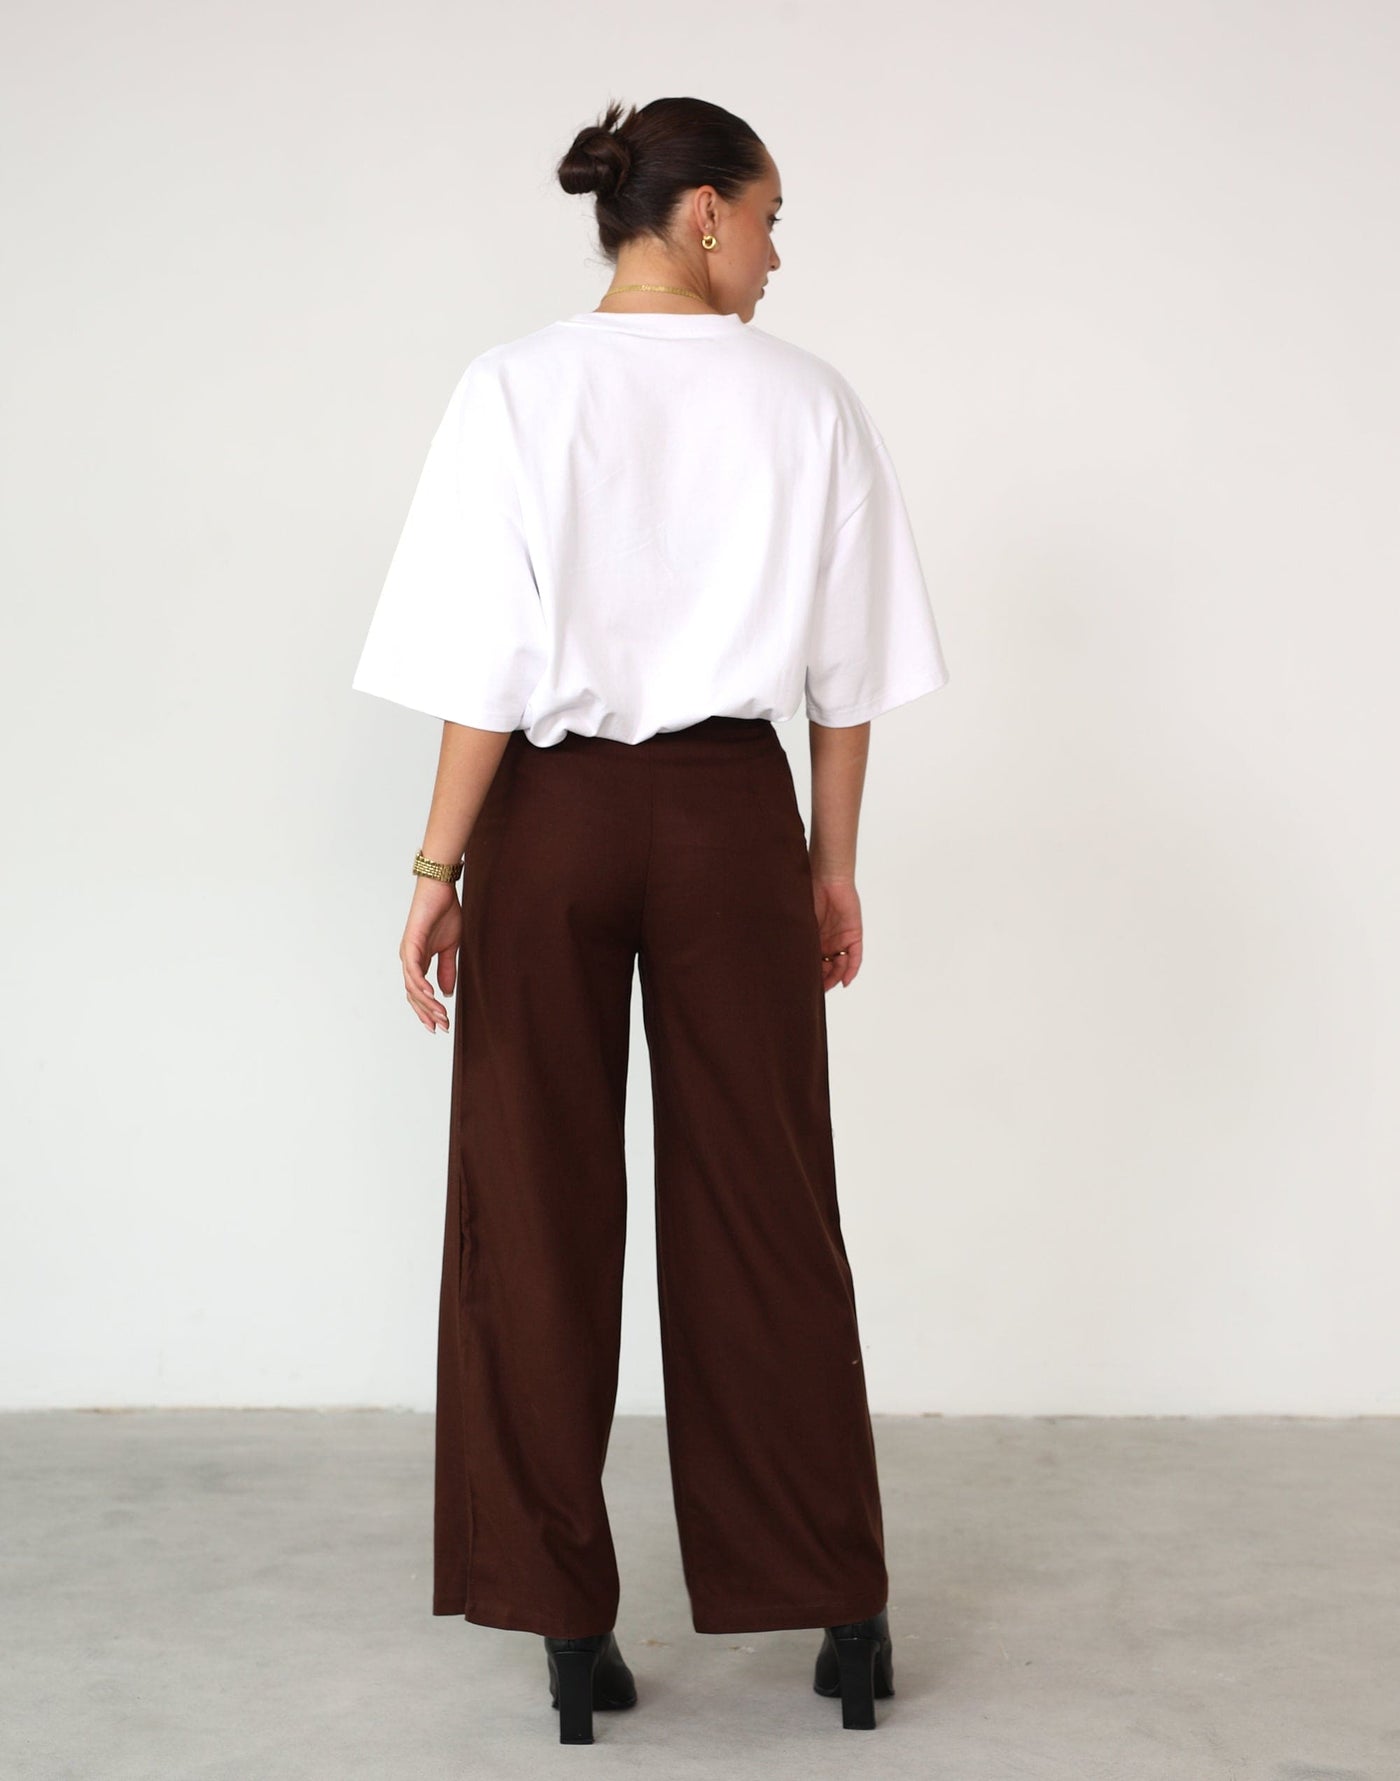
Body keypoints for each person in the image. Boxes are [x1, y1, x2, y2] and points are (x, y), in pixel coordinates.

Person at [351, 95, 949, 1744]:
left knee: (532, 1201)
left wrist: (437, 871)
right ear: (701, 215)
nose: (775, 252)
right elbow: (846, 681)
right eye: (769, 217)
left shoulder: (513, 390)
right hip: (729, 818)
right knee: (768, 1199)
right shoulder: (808, 400)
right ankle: (842, 1608)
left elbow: (484, 668)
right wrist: (828, 862)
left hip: (547, 823)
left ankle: (564, 1622)